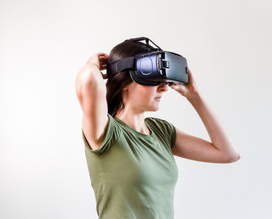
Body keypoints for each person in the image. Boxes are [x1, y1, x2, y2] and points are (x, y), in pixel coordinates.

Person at [75, 38, 240, 219]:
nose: (164, 88)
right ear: (125, 83)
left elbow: (227, 154)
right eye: (153, 80)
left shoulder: (162, 131)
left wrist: (195, 97)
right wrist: (91, 64)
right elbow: (88, 80)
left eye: (163, 80)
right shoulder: (105, 131)